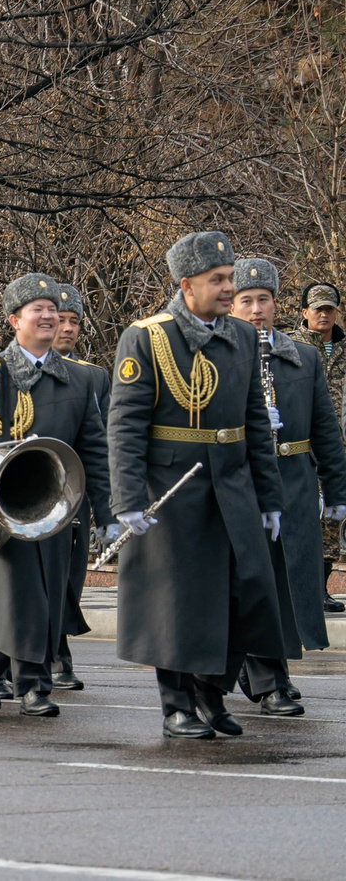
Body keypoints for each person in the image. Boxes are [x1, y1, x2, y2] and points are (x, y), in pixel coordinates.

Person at [107, 230, 288, 740]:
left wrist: (269, 497)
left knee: (242, 593)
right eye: (219, 280)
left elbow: (254, 419)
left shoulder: (243, 336)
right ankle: (177, 704)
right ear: (187, 285)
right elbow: (125, 424)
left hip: (232, 486)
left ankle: (212, 693)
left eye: (230, 278)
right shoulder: (148, 336)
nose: (229, 288)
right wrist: (127, 499)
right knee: (178, 601)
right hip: (172, 487)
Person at [0, 274, 111, 718]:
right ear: (15, 321)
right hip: (2, 506)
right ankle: (34, 687)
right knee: (20, 597)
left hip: (54, 506)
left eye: (53, 309)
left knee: (51, 600)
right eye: (38, 309)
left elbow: (94, 448)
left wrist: (109, 513)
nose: (50, 316)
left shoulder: (78, 379)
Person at [230, 259, 346, 716]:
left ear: (278, 304)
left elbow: (325, 428)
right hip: (243, 480)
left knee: (290, 581)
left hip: (294, 479)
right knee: (255, 578)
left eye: (264, 300)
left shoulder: (305, 356)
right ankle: (269, 676)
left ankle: (268, 668)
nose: (257, 310)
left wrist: (336, 489)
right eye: (246, 301)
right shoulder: (219, 356)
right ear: (231, 305)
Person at [48, 280, 110, 687]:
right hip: (29, 484)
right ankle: (51, 651)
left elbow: (99, 440)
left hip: (75, 490)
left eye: (75, 322)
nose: (68, 328)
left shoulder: (94, 377)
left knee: (71, 572)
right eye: (61, 320)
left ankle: (58, 643)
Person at [302, 282, 346, 613]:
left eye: (329, 308)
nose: (323, 314)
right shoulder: (292, 347)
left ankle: (321, 590)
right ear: (305, 312)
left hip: (337, 448)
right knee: (305, 517)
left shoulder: (343, 350)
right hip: (302, 446)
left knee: (332, 519)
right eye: (317, 308)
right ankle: (300, 588)